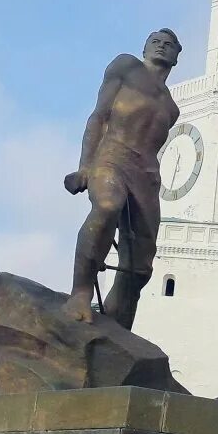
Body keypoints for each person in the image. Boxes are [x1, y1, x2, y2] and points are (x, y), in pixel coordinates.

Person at [62, 28, 182, 329]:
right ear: (144, 47)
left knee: (140, 267)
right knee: (106, 206)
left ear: (177, 56)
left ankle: (116, 325)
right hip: (112, 158)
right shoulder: (126, 67)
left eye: (169, 44)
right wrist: (85, 166)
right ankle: (80, 293)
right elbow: (99, 116)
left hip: (147, 175)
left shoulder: (171, 107)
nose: (162, 45)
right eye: (156, 40)